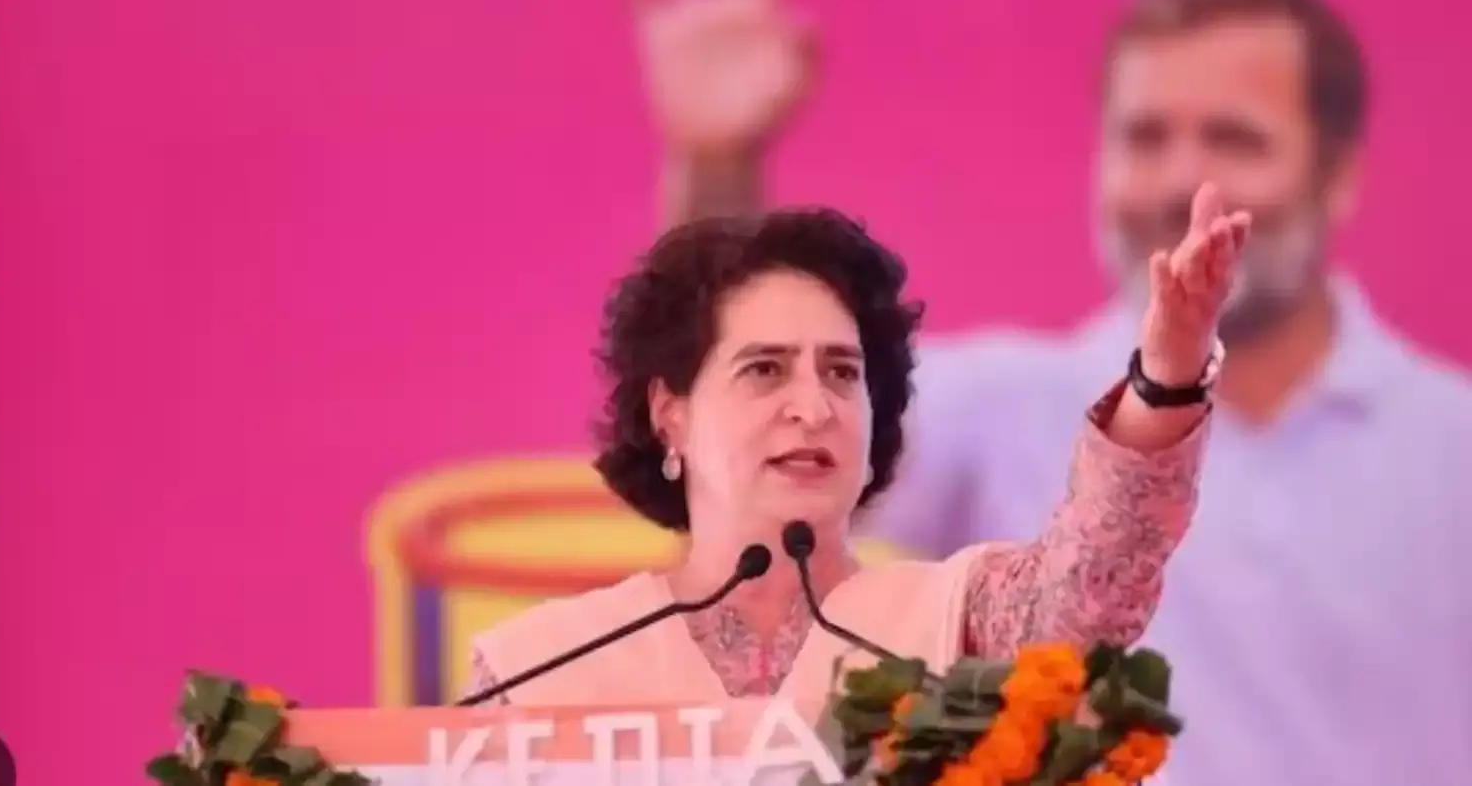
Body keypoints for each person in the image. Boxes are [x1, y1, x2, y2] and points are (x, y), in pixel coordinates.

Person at [628, 0, 1472, 785]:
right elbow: (746, 434)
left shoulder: (1452, 445)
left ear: (1337, 174)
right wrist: (718, 168)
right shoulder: (1001, 412)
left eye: (1234, 138)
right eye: (1145, 137)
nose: (1181, 180)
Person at [465, 197, 1246, 716]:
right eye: (765, 369)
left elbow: (1099, 575)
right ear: (672, 414)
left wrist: (1166, 375)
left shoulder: (962, 624)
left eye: (842, 373)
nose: (814, 406)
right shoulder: (543, 672)